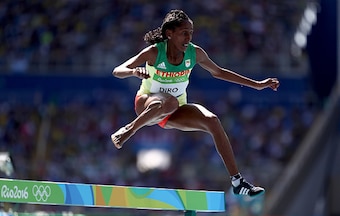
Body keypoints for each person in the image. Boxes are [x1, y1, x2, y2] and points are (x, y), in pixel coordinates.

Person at [111, 9, 279, 197]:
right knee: (170, 101)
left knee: (212, 120)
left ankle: (237, 181)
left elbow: (219, 72)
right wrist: (134, 72)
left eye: (191, 32)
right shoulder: (154, 52)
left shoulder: (195, 53)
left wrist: (256, 85)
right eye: (184, 33)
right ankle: (129, 130)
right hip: (146, 104)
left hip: (172, 110)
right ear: (170, 33)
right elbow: (118, 70)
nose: (188, 37)